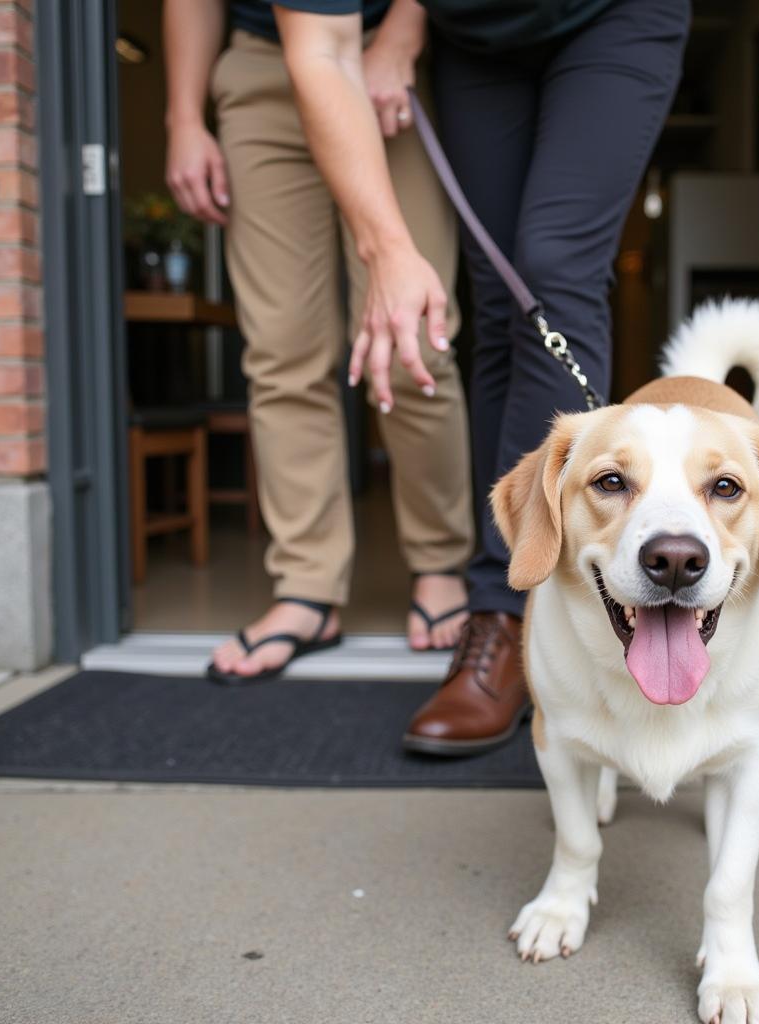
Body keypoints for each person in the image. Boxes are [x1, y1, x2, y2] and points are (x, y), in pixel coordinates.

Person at [268, 0, 687, 751]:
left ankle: (527, 606)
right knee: (498, 299)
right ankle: (504, 615)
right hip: (476, 40)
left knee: (553, 269)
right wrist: (405, 24)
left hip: (615, 14)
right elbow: (319, 46)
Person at [163, 0, 475, 682]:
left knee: (415, 337)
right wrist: (184, 117)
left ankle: (440, 565)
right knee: (282, 353)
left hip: (379, 63)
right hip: (261, 72)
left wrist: (404, 29)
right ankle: (306, 586)